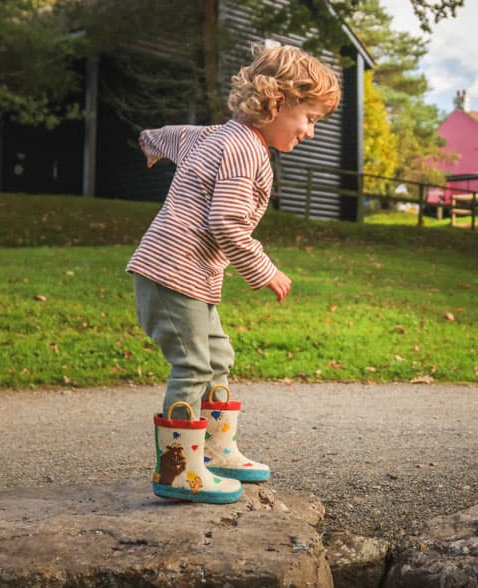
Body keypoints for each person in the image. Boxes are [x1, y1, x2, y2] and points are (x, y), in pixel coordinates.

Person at [128, 43, 341, 503]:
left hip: (186, 274)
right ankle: (179, 470)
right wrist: (264, 269)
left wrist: (149, 142)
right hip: (172, 273)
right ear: (278, 103)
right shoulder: (246, 151)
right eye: (310, 117)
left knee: (218, 356)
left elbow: (172, 136)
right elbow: (224, 221)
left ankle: (216, 450)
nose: (310, 131)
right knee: (192, 365)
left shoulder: (216, 135)